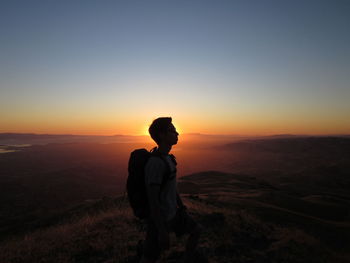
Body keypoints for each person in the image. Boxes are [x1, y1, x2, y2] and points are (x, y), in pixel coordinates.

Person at [140, 117, 202, 263]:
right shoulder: (155, 163)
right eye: (172, 131)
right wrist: (161, 230)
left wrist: (181, 206)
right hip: (160, 220)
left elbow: (171, 187)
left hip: (174, 214)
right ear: (162, 135)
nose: (177, 133)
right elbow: (152, 199)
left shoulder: (168, 158)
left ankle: (187, 259)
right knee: (150, 257)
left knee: (197, 230)